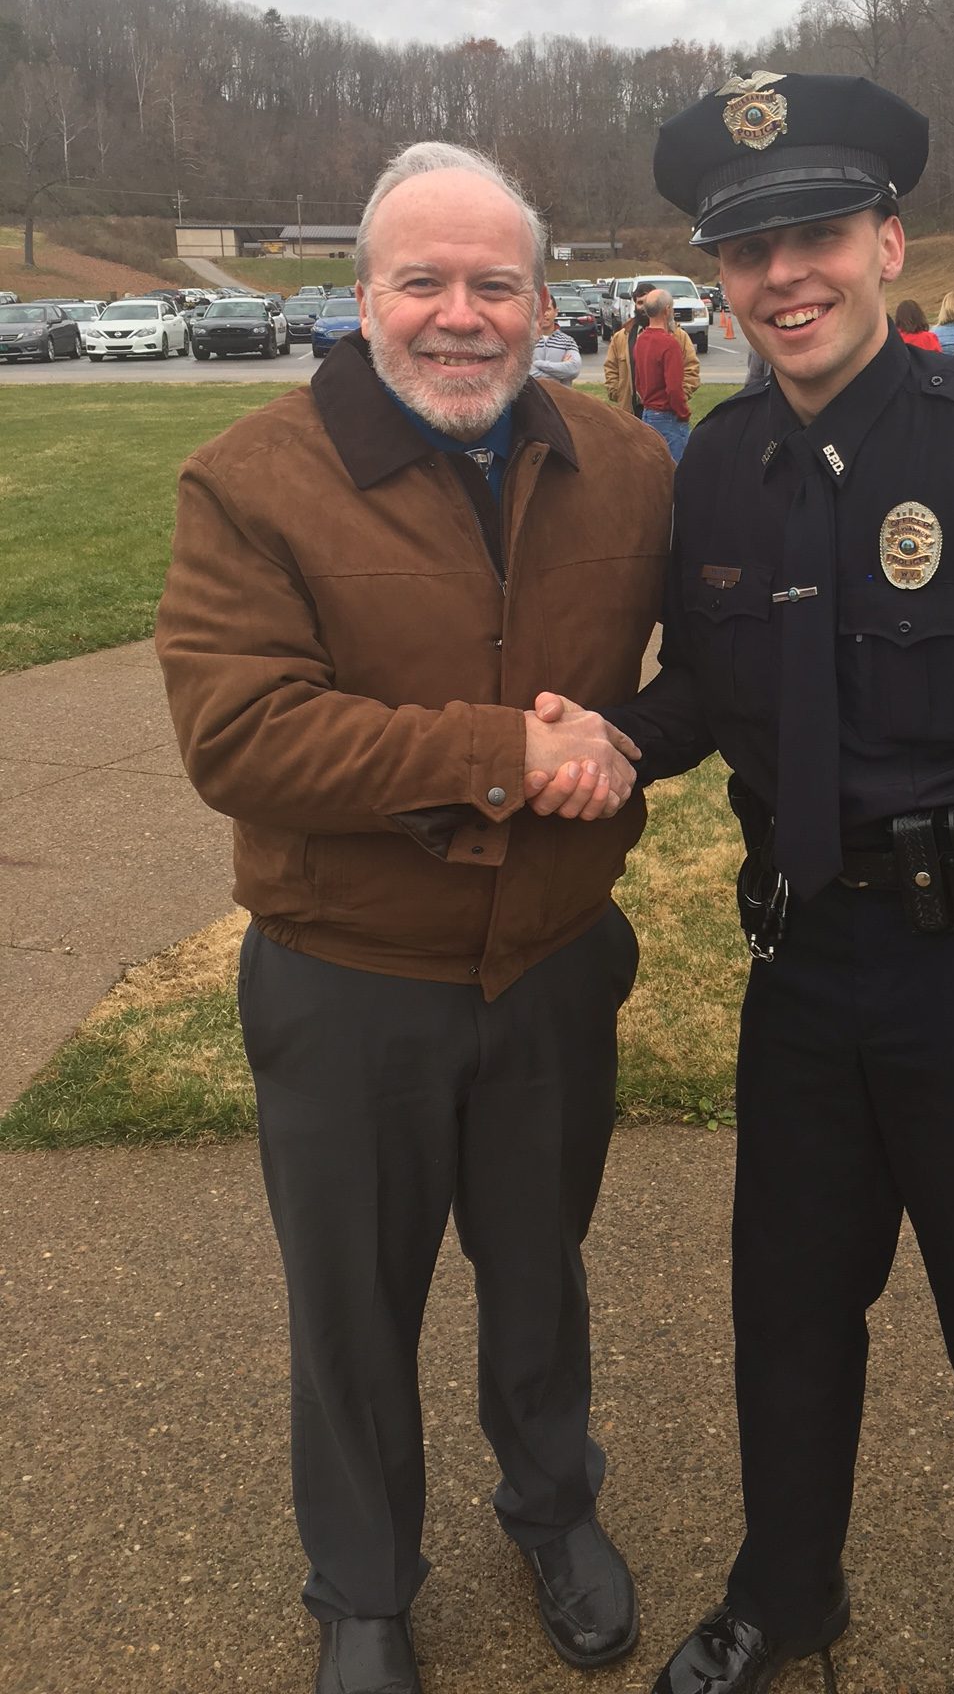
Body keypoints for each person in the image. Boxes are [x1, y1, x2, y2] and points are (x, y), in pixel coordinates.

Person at [527, 73, 954, 1694]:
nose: (785, 277)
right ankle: (785, 1597)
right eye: (747, 250)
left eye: (817, 235)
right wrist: (617, 738)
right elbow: (713, 686)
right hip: (806, 968)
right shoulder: (716, 468)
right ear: (721, 279)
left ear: (888, 245)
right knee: (785, 1313)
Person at [156, 144, 669, 1694]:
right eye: (423, 282)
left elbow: (704, 670)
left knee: (540, 1275)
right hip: (347, 981)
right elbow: (242, 738)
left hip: (553, 970)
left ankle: (553, 1508)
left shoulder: (627, 466)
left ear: (545, 303)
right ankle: (365, 1586)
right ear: (364, 296)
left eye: (494, 285)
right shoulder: (253, 480)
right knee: (354, 1309)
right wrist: (504, 751)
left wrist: (633, 744)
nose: (461, 315)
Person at [604, 280, 702, 417]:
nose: (644, 308)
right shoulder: (621, 337)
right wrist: (618, 393)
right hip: (630, 413)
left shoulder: (678, 336)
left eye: (647, 303)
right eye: (640, 303)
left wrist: (678, 397)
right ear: (634, 305)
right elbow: (611, 368)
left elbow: (691, 368)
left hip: (666, 412)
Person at [633, 288, 692, 460]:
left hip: (647, 413)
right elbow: (674, 388)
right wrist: (683, 413)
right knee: (676, 469)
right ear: (667, 310)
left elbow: (638, 382)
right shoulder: (669, 344)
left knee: (654, 468)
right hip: (667, 417)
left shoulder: (640, 340)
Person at [532, 290, 583, 385]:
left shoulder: (568, 342)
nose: (544, 314)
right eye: (540, 310)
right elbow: (523, 373)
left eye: (548, 309)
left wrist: (537, 364)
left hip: (561, 394)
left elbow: (573, 370)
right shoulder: (525, 342)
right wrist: (559, 374)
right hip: (532, 395)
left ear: (556, 312)